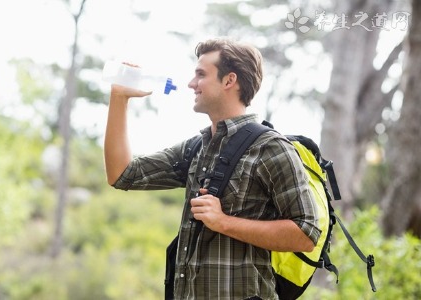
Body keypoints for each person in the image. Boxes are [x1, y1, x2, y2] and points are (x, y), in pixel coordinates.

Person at [104, 37, 320, 300]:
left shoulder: (271, 148)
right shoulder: (196, 148)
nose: (191, 84)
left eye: (200, 74)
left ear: (229, 81)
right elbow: (123, 174)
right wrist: (119, 98)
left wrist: (224, 222)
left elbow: (306, 234)